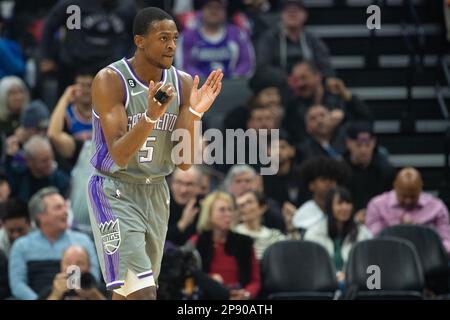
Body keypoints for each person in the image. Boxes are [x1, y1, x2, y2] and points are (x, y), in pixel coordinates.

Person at [87, 7, 223, 300]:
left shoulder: (184, 83)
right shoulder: (110, 80)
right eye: (163, 38)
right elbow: (120, 156)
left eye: (174, 38)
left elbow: (184, 161)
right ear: (140, 40)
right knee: (144, 294)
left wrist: (196, 113)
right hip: (115, 191)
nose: (172, 45)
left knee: (128, 293)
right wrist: (150, 117)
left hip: (156, 192)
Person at [9, 187, 99, 300]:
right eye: (58, 208)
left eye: (65, 207)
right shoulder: (21, 245)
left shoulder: (83, 241)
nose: (65, 212)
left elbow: (94, 277)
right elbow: (17, 285)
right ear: (41, 216)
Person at [190, 191, 260, 299]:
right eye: (222, 210)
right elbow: (190, 276)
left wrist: (246, 294)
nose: (228, 214)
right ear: (209, 214)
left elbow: (255, 280)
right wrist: (209, 280)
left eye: (230, 210)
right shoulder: (197, 242)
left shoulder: (245, 242)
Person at [365, 167, 450, 254]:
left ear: (421, 187)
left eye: (413, 196)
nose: (408, 200)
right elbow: (373, 240)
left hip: (427, 257)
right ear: (395, 186)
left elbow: (447, 241)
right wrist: (401, 230)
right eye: (404, 196)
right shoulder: (377, 205)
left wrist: (422, 236)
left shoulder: (437, 207)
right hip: (389, 256)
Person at [304, 187, 372, 283]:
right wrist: (335, 276)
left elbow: (369, 262)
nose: (345, 207)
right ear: (329, 207)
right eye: (340, 203)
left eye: (348, 203)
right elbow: (310, 265)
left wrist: (349, 276)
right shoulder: (314, 233)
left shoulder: (362, 232)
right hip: (322, 283)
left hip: (355, 283)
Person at [176, 0, 255, 78]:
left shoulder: (237, 34)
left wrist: (232, 77)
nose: (214, 11)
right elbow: (183, 67)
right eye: (209, 7)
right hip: (198, 86)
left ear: (225, 11)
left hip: (233, 86)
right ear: (202, 11)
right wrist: (202, 79)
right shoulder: (187, 36)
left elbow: (247, 64)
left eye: (218, 8)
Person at [256, 0, 334, 76]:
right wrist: (287, 78)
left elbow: (325, 64)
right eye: (288, 11)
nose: (292, 14)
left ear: (305, 15)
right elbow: (262, 66)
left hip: (307, 82)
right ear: (281, 15)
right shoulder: (269, 38)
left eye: (297, 11)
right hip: (279, 83)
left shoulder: (312, 39)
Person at [343, 121, 395, 222]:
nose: (363, 150)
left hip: (380, 220)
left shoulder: (386, 170)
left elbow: (391, 202)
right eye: (358, 145)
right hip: (348, 220)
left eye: (367, 145)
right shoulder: (340, 170)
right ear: (348, 143)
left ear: (374, 142)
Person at [290, 156, 350, 236]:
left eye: (332, 180)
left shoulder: (344, 211)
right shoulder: (303, 214)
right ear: (311, 185)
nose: (329, 184)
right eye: (324, 179)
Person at [47, 71, 94, 168]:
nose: (85, 90)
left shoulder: (103, 113)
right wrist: (65, 97)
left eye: (89, 85)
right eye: (81, 86)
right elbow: (53, 134)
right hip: (75, 160)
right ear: (73, 89)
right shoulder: (66, 114)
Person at [6, 136, 70, 202]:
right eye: (44, 161)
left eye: (51, 158)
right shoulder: (18, 178)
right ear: (29, 162)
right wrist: (8, 157)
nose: (50, 163)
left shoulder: (61, 181)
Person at [39, 245, 106, 300]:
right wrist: (55, 296)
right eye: (68, 263)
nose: (73, 267)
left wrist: (95, 296)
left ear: (89, 267)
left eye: (79, 263)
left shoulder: (102, 290)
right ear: (61, 266)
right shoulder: (49, 292)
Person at [235, 190, 286, 260]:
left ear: (262, 208)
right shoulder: (233, 235)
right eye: (241, 205)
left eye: (249, 202)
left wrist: (290, 226)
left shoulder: (275, 236)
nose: (243, 207)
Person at [167, 166, 202, 246]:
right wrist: (182, 224)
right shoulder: (159, 204)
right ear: (171, 183)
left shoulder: (204, 206)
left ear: (199, 187)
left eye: (189, 184)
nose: (183, 190)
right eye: (179, 182)